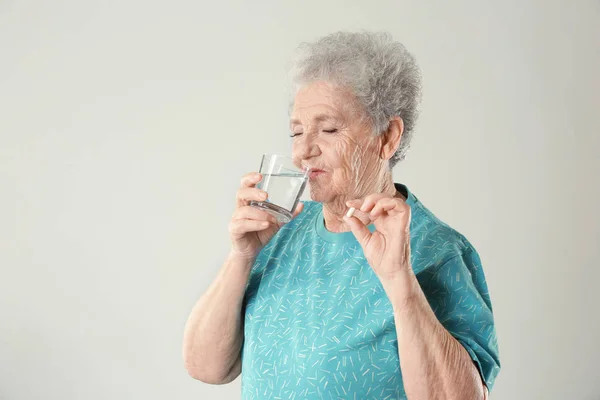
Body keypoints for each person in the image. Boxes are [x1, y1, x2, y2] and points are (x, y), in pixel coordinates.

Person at [183, 31, 500, 399]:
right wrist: (242, 256)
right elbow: (205, 367)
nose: (303, 151)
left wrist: (399, 280)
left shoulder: (439, 250)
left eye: (329, 129)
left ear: (387, 137)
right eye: (296, 131)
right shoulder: (281, 229)